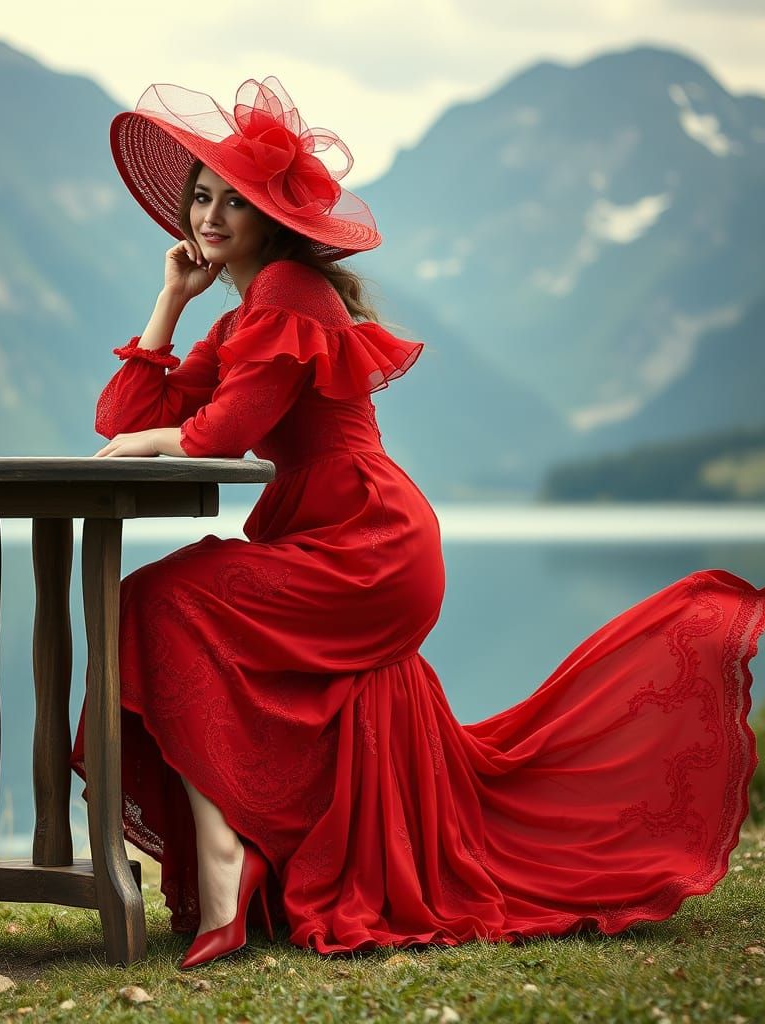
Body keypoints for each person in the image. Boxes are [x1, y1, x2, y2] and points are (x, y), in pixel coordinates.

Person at [71, 76, 764, 972]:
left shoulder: (287, 291)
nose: (210, 216)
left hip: (368, 542)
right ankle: (236, 852)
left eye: (234, 201)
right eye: (202, 197)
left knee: (161, 601)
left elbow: (217, 435)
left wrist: (155, 438)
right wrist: (169, 304)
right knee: (159, 605)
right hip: (330, 533)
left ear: (274, 220)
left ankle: (225, 853)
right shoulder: (244, 315)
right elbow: (122, 415)